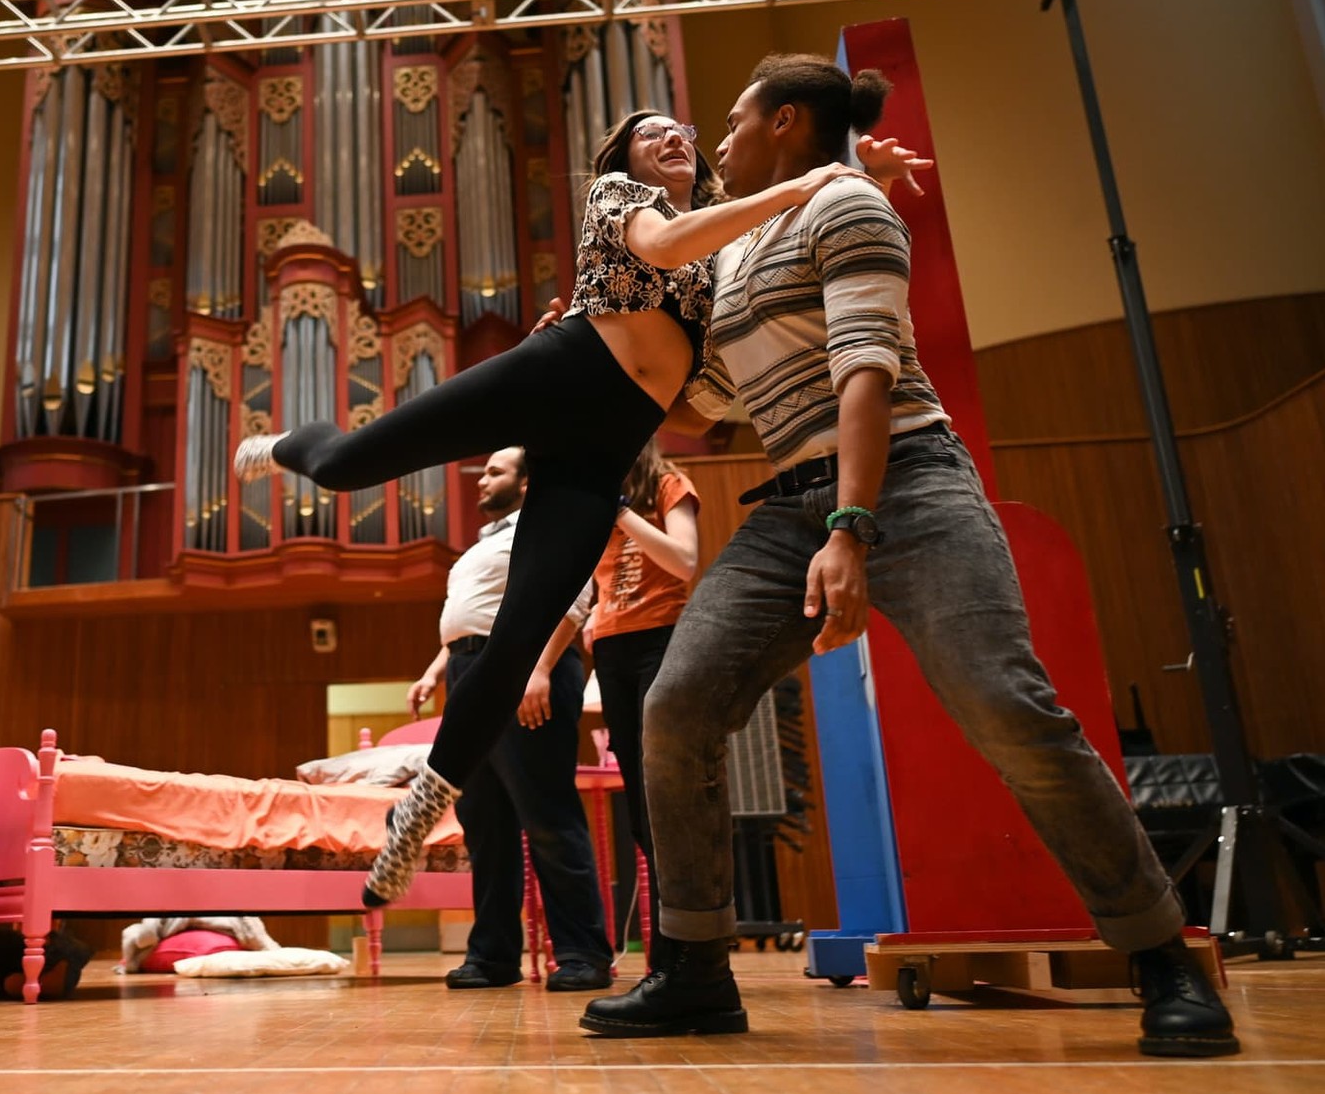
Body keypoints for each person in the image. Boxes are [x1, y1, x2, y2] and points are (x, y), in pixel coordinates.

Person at [578, 53, 1237, 1059]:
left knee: (1007, 704)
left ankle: (1162, 960)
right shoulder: (744, 247)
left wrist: (852, 527)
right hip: (790, 502)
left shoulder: (845, 205)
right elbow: (704, 404)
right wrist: (586, 352)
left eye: (736, 118)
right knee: (676, 707)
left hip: (908, 485)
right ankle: (696, 973)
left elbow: (867, 373)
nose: (720, 138)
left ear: (786, 122)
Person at [235, 115, 879, 912]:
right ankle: (298, 442)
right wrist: (805, 181)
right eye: (650, 135)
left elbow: (697, 410)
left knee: (521, 637)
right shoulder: (619, 195)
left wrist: (853, 169)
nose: (671, 137)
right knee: (345, 465)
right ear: (625, 158)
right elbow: (665, 248)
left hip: (606, 444)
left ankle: (423, 805)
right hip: (556, 372)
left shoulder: (725, 253)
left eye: (682, 130)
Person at [406, 447, 614, 992]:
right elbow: (473, 615)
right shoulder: (488, 539)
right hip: (471, 671)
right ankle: (494, 956)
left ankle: (582, 954)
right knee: (485, 825)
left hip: (525, 672)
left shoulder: (547, 524)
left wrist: (539, 672)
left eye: (495, 471)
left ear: (527, 483)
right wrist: (436, 670)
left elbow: (576, 595)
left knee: (547, 816)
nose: (482, 479)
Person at [586, 439, 700, 965]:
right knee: (638, 803)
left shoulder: (667, 483)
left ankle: (684, 946)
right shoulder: (602, 493)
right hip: (611, 648)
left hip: (662, 636)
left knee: (663, 793)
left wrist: (622, 513)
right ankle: (665, 952)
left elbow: (684, 561)